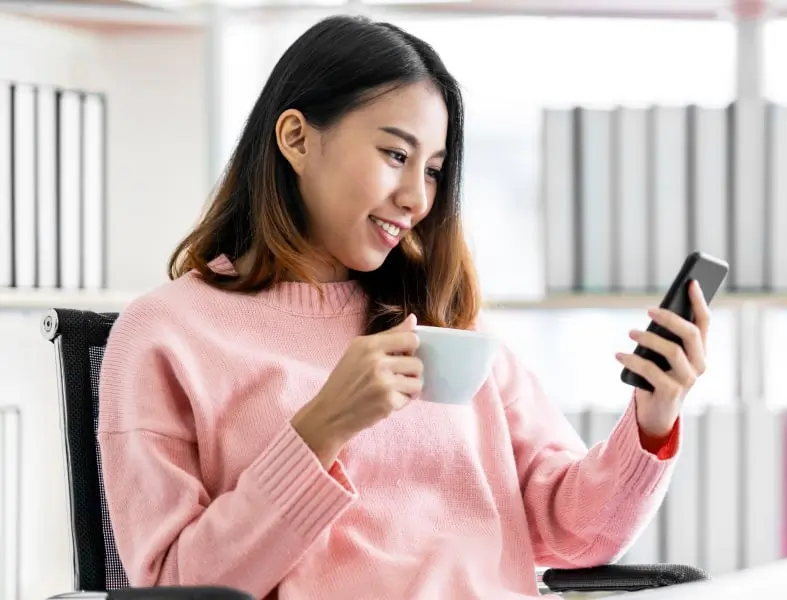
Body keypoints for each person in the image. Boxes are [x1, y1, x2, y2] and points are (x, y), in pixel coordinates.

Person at [96, 13, 713, 600]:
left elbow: (576, 534)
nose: (417, 198)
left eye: (435, 170)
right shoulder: (166, 333)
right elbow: (176, 585)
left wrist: (652, 420)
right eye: (395, 155)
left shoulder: (446, 324)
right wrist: (321, 430)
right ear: (295, 138)